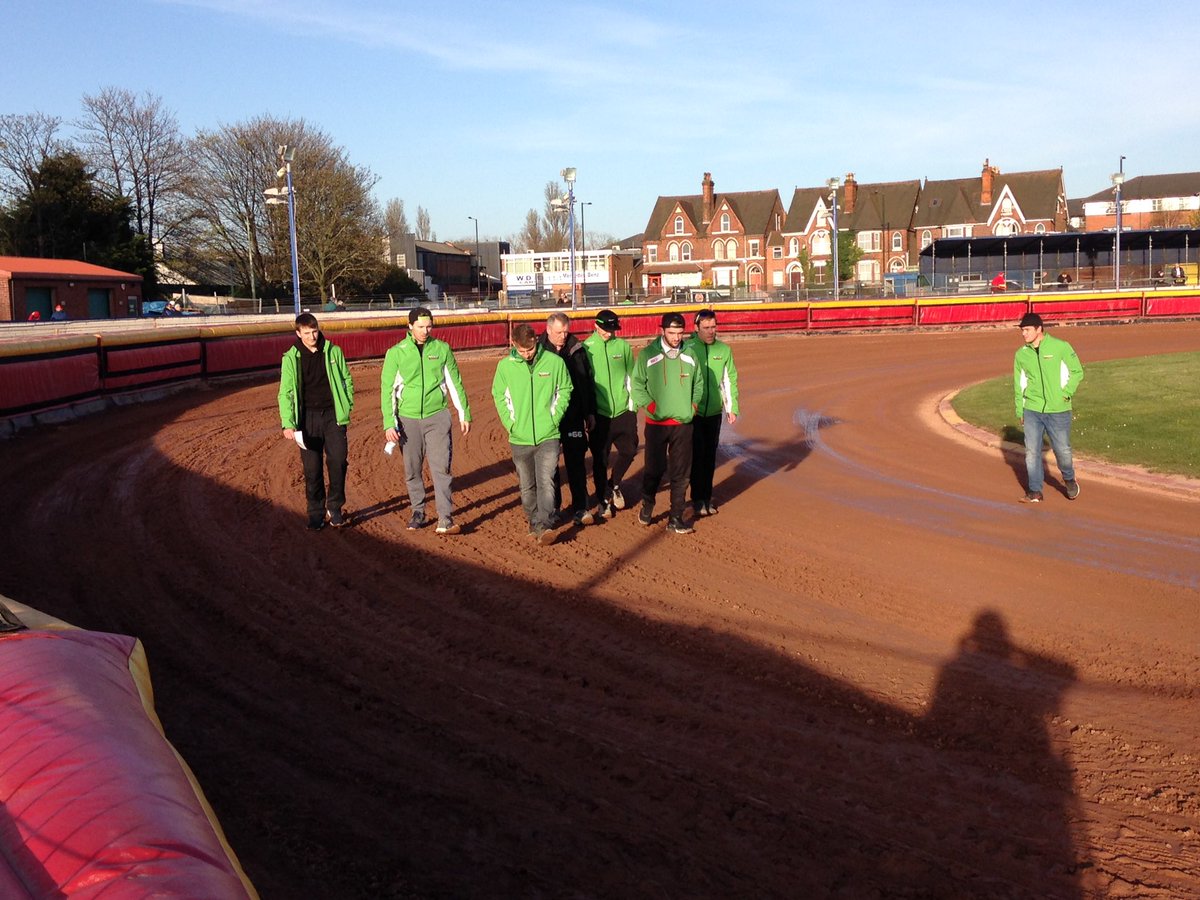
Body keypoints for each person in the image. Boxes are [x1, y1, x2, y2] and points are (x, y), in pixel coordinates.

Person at [381, 307, 472, 534]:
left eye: (429, 326)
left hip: (437, 417)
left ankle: (445, 519)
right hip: (407, 419)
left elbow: (454, 382)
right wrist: (389, 423)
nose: (425, 331)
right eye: (421, 327)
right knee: (412, 469)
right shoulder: (396, 353)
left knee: (441, 468)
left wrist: (463, 413)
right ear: (410, 326)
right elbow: (387, 390)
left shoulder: (441, 349)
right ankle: (418, 511)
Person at [492, 322, 573, 545]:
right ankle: (534, 521)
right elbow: (499, 396)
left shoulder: (554, 362)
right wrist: (511, 424)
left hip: (548, 435)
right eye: (522, 350)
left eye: (530, 349)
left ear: (536, 342)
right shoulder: (505, 367)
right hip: (520, 437)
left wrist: (554, 418)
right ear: (513, 345)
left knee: (546, 480)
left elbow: (565, 389)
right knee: (527, 486)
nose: (527, 354)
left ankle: (543, 525)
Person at [278, 313, 355, 530]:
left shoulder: (333, 351)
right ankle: (315, 512)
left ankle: (335, 507)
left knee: (338, 462)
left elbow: (346, 378)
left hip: (333, 416)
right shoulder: (291, 358)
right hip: (306, 419)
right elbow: (285, 392)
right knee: (312, 470)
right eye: (307, 332)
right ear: (298, 333)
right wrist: (288, 422)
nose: (312, 336)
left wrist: (346, 404)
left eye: (315, 331)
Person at [631, 311, 704, 534]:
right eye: (672, 333)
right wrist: (652, 407)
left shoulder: (690, 354)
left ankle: (676, 518)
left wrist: (692, 407)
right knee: (654, 470)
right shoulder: (647, 355)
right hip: (656, 425)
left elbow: (698, 384)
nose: (676, 337)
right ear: (662, 330)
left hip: (683, 424)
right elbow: (637, 386)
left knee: (681, 473)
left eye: (680, 333)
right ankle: (648, 501)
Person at [1013, 312, 1083, 503]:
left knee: (1062, 451)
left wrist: (1065, 393)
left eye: (1027, 330)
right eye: (1022, 330)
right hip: (1032, 410)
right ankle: (1035, 491)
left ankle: (1069, 479)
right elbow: (1019, 384)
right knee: (1032, 452)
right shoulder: (1021, 355)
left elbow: (1077, 371)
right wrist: (1020, 409)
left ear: (1039, 329)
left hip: (1058, 410)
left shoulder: (1061, 347)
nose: (1023, 334)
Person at [540, 312, 597, 526]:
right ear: (548, 330)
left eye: (565, 331)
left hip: (573, 416)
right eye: (558, 332)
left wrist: (589, 412)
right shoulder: (537, 351)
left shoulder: (577, 349)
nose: (563, 336)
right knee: (550, 466)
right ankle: (553, 508)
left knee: (576, 463)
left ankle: (581, 507)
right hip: (548, 419)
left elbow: (586, 383)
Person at [583, 309, 638, 518]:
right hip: (600, 415)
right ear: (596, 326)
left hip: (624, 411)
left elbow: (631, 375)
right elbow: (585, 384)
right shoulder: (586, 348)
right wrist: (589, 413)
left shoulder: (622, 346)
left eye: (612, 329)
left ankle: (613, 484)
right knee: (600, 459)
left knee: (630, 450)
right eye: (606, 329)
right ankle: (603, 500)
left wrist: (633, 405)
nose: (609, 333)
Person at [685, 309, 740, 516]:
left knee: (709, 457)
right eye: (706, 328)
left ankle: (705, 498)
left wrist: (731, 407)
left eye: (714, 327)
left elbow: (728, 380)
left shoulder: (724, 350)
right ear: (696, 328)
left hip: (714, 413)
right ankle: (697, 498)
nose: (711, 332)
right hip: (693, 413)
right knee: (696, 457)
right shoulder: (687, 348)